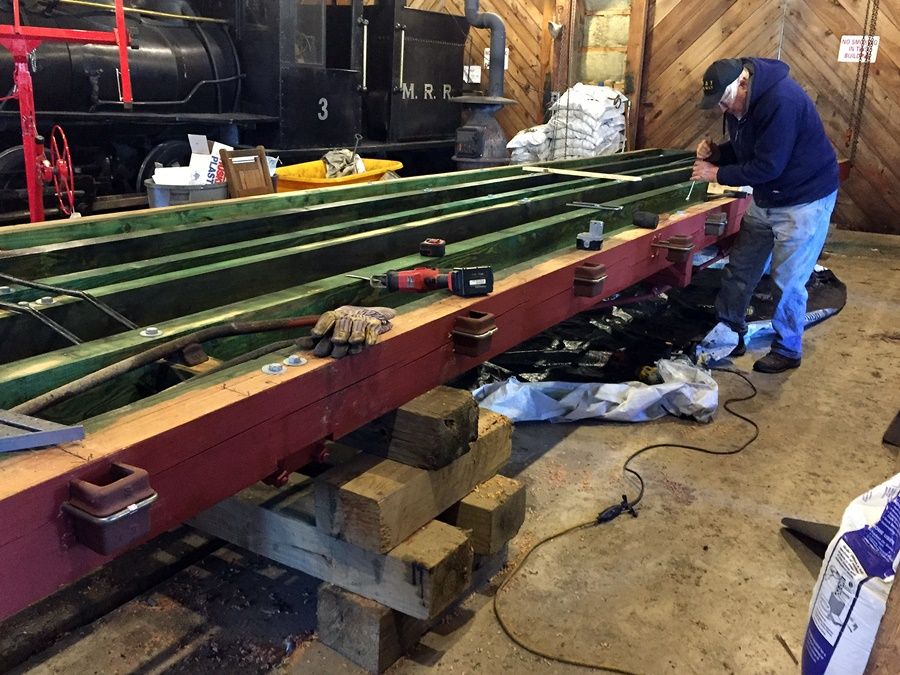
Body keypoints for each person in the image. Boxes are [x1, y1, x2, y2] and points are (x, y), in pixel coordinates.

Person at [691, 57, 839, 373]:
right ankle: (730, 331)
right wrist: (719, 153)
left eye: (724, 101)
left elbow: (769, 165)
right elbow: (748, 148)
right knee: (741, 267)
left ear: (743, 84)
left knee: (788, 280)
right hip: (768, 195)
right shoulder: (741, 104)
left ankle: (787, 349)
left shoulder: (782, 101)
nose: (722, 109)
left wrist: (717, 173)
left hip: (803, 199)